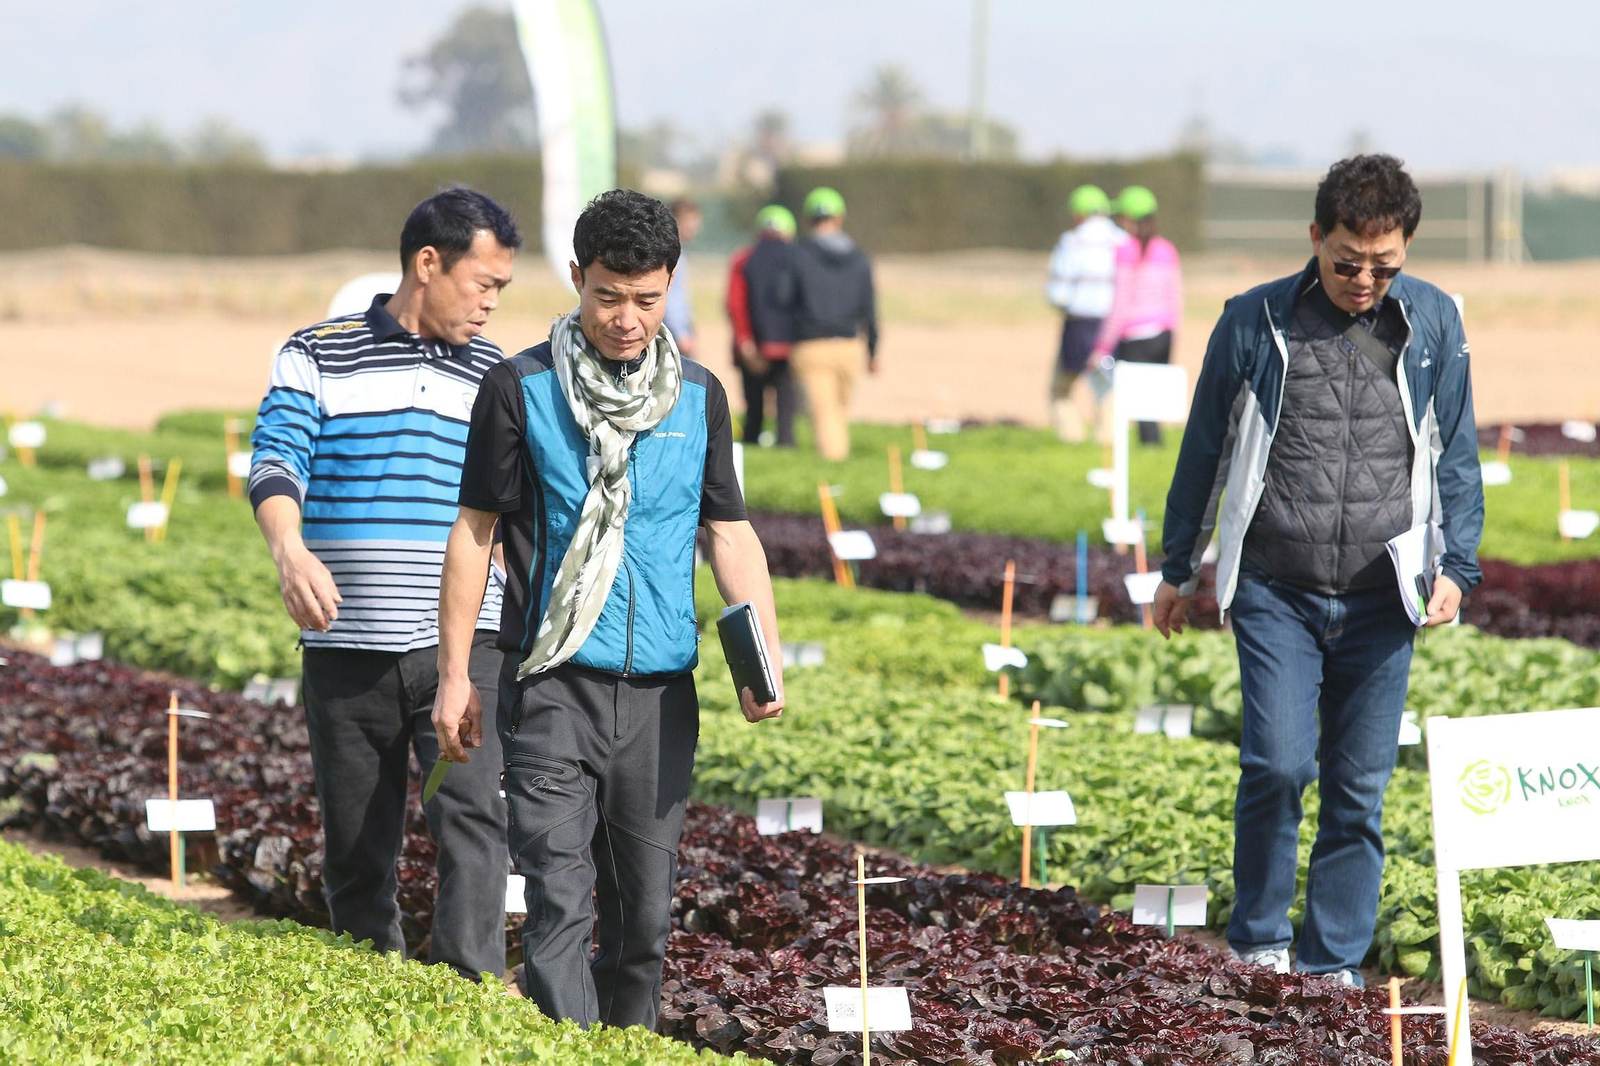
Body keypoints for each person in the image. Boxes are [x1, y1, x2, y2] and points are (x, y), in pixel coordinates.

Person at [431, 189, 785, 1029]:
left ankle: (628, 1045)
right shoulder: (519, 389)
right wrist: (455, 675)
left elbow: (728, 533)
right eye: (608, 296)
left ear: (671, 285)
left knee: (645, 922)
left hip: (661, 699)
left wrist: (762, 657)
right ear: (576, 278)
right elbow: (474, 534)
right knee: (559, 903)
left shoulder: (698, 396)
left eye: (647, 299)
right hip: (552, 686)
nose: (627, 319)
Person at [1152, 155, 1484, 987]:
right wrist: (1177, 567)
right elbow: (1205, 448)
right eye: (1346, 262)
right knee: (1276, 765)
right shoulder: (1255, 320)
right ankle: (1259, 940)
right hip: (1276, 587)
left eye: (1384, 266)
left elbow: (1456, 451)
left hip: (1383, 596)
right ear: (1315, 238)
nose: (1364, 281)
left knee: (1359, 789)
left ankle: (1331, 962)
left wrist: (1458, 564)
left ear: (1405, 250)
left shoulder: (1434, 322)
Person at [247, 187, 521, 981]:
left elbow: (518, 506)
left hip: (461, 647)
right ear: (428, 264)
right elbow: (276, 458)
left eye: (501, 289)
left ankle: (470, 998)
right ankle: (375, 1000)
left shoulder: (497, 374)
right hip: (346, 645)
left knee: (473, 824)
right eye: (483, 284)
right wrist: (290, 551)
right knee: (357, 848)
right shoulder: (317, 353)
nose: (491, 304)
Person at [789, 186, 878, 461]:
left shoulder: (797, 255)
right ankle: (840, 461)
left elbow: (784, 298)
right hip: (850, 345)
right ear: (839, 218)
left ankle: (833, 466)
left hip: (810, 345)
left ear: (808, 220)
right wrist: (873, 349)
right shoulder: (860, 258)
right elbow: (869, 308)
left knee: (824, 413)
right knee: (839, 410)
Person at [1091, 185, 1183, 445]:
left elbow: (1120, 302)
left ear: (1129, 219)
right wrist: (1173, 331)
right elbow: (1175, 297)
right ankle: (1154, 445)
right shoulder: (1167, 249)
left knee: (1140, 403)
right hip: (1163, 333)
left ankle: (1150, 446)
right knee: (1153, 399)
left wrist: (1103, 345)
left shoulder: (1124, 250)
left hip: (1134, 336)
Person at [1044, 184, 1129, 443]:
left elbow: (1058, 293)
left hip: (1078, 324)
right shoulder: (1122, 240)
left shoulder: (1072, 241)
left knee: (1061, 387)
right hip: (1113, 325)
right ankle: (1107, 440)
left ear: (1079, 213)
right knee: (1108, 386)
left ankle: (1072, 436)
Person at [725, 204, 800, 447]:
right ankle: (786, 443)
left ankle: (751, 441)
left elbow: (735, 303)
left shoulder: (743, 258)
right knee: (786, 405)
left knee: (754, 405)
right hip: (788, 346)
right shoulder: (799, 259)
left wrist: (744, 341)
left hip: (752, 346)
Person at [662, 198, 701, 359]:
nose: (694, 229)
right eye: (690, 224)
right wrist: (680, 334)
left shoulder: (679, 253)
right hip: (672, 334)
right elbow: (668, 295)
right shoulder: (669, 255)